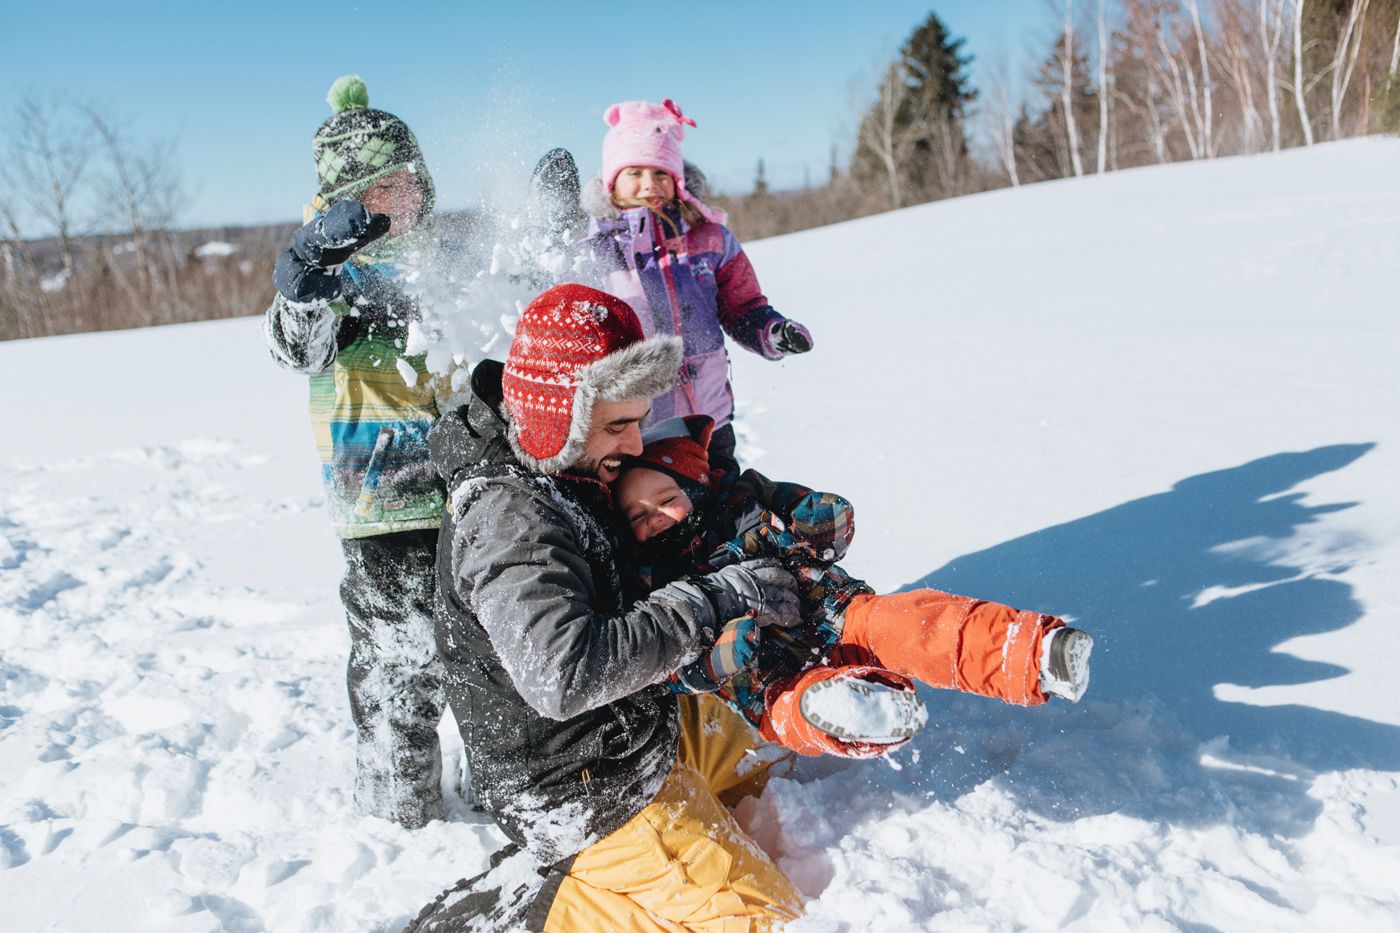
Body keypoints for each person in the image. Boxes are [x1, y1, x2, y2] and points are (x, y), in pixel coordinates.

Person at [410, 283, 806, 931]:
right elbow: (561, 675)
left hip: (637, 726)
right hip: (588, 787)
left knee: (765, 764)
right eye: (617, 425)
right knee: (766, 916)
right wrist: (710, 602)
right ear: (555, 412)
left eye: (638, 420)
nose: (631, 444)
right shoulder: (509, 515)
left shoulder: (567, 464)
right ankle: (553, 909)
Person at [614, 415, 1095, 759]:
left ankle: (1033, 653)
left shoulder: (749, 501)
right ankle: (860, 713)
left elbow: (824, 516)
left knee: (914, 623)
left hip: (839, 614)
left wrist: (822, 525)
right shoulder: (654, 583)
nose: (654, 518)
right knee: (793, 710)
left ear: (696, 487)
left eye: (666, 499)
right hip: (768, 672)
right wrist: (716, 661)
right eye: (637, 515)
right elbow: (664, 662)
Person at [262, 75, 447, 828]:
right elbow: (295, 348)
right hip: (381, 496)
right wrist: (306, 276)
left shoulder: (438, 255)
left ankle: (500, 777)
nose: (399, 199)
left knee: (473, 645)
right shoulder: (330, 272)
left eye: (408, 183)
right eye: (380, 190)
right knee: (401, 656)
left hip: (462, 484)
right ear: (348, 202)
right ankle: (398, 806)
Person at [577, 99, 814, 473]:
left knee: (725, 508)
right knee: (653, 521)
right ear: (612, 181)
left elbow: (743, 305)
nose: (648, 185)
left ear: (677, 179)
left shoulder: (710, 240)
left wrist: (771, 332)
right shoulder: (593, 252)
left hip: (708, 419)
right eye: (634, 172)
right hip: (637, 428)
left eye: (660, 173)